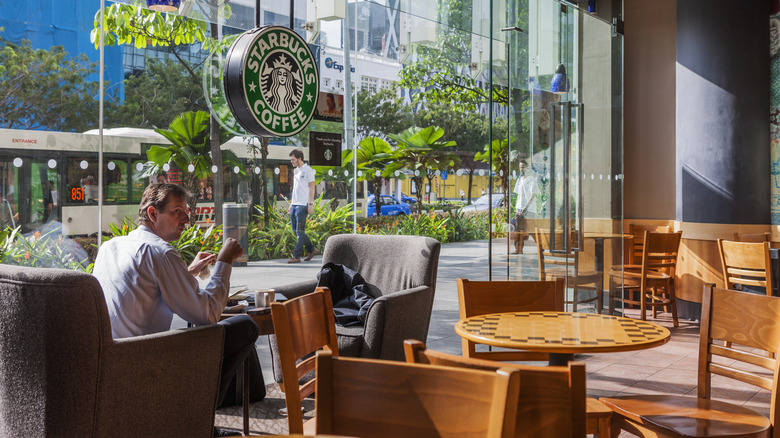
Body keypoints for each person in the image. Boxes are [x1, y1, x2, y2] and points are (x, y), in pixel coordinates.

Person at [92, 183, 260, 430]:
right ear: (152, 214)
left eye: (186, 212)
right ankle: (196, 418)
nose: (187, 219)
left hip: (112, 359)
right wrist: (225, 260)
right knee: (245, 326)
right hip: (149, 361)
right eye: (177, 212)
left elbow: (142, 289)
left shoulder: (109, 247)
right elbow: (208, 313)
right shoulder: (161, 253)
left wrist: (187, 272)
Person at [287, 149, 319, 264]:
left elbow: (312, 188)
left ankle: (296, 256)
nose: (291, 161)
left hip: (302, 206)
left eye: (293, 159)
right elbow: (295, 189)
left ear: (299, 159)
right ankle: (311, 249)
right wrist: (291, 204)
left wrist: (310, 204)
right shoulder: (296, 171)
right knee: (295, 231)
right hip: (295, 205)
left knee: (300, 231)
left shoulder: (308, 171)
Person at [512, 160, 539, 254]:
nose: (521, 169)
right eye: (520, 167)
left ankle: (541, 246)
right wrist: (517, 207)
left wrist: (526, 207)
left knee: (531, 229)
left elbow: (533, 194)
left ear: (527, 168)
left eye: (523, 167)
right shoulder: (519, 180)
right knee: (518, 230)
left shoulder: (531, 179)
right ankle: (518, 249)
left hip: (529, 209)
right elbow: (518, 195)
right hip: (519, 208)